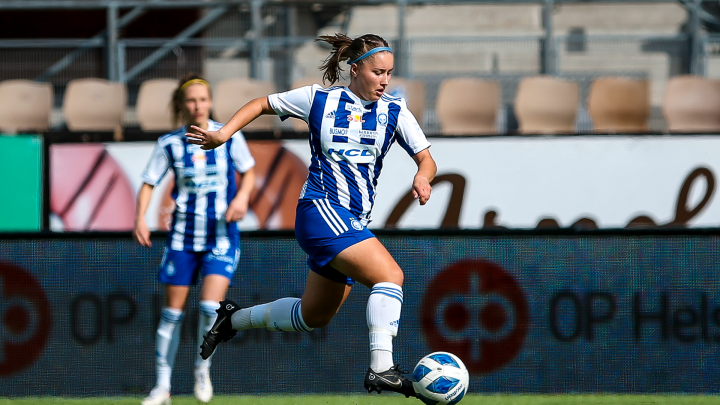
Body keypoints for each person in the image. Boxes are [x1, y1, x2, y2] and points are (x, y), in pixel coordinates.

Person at [186, 33, 437, 398]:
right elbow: (262, 104)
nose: (385, 80)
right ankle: (382, 368)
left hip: (351, 220)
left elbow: (426, 158)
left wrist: (422, 176)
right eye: (378, 72)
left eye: (389, 73)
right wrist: (223, 133)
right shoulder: (319, 99)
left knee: (312, 317)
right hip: (320, 209)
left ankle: (231, 319)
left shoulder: (394, 111)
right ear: (355, 69)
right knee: (390, 276)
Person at [134, 73, 256, 405]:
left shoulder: (228, 134)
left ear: (210, 102)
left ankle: (202, 368)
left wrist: (242, 198)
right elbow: (148, 182)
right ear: (182, 105)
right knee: (171, 314)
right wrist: (140, 218)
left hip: (220, 236)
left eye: (203, 99)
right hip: (182, 239)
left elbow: (249, 172)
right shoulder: (170, 143)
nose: (198, 105)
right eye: (191, 100)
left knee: (208, 307)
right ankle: (162, 387)